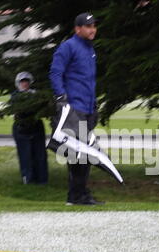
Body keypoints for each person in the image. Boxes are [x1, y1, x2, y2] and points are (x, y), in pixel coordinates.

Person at [49, 12, 103, 205]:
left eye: (94, 26)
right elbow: (55, 73)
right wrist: (61, 97)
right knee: (76, 153)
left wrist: (94, 103)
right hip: (74, 108)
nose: (92, 30)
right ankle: (75, 195)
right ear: (77, 29)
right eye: (88, 26)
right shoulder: (68, 47)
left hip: (88, 108)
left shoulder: (90, 49)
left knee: (86, 153)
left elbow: (88, 80)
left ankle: (81, 194)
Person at [11, 72, 48, 185]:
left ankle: (42, 180)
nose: (25, 83)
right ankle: (28, 179)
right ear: (18, 83)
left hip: (36, 128)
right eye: (22, 81)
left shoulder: (36, 94)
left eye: (26, 81)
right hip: (22, 129)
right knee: (26, 156)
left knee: (40, 155)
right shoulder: (15, 95)